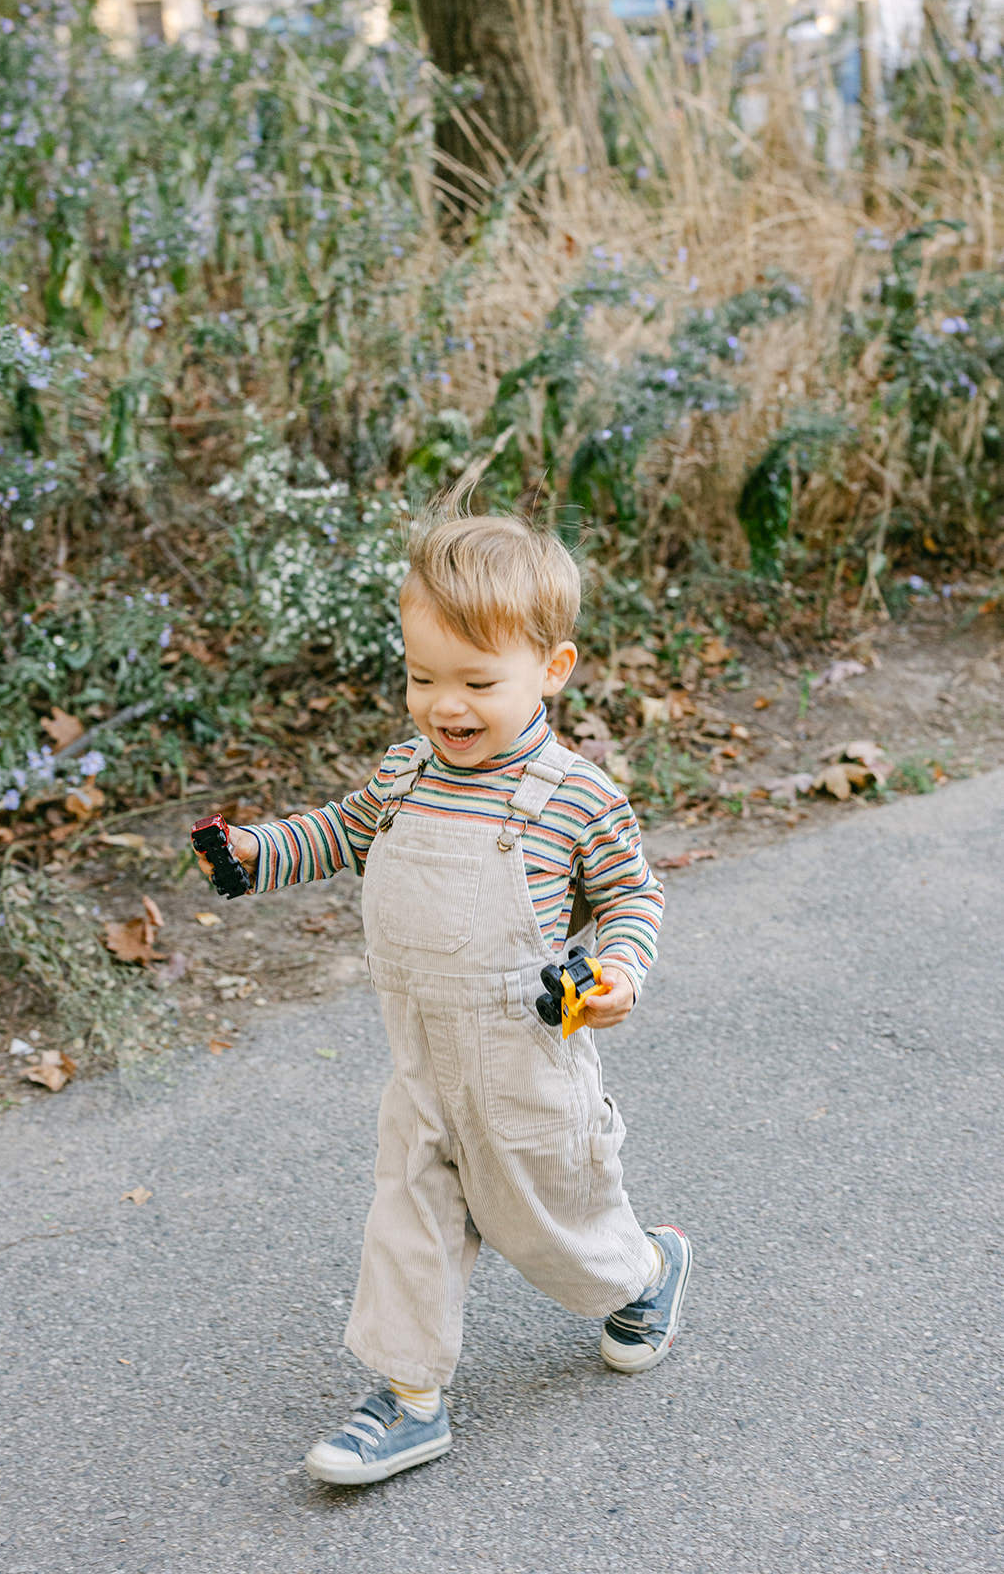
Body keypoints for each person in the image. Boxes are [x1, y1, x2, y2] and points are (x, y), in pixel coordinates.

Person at [194, 512, 691, 1486]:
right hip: (421, 1056)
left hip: (524, 1068)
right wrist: (255, 854)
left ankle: (646, 1271)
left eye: (474, 682)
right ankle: (406, 1397)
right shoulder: (404, 771)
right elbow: (340, 832)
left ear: (551, 667)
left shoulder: (575, 797)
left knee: (558, 1235)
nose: (443, 706)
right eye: (422, 678)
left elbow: (632, 895)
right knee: (407, 1214)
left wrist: (619, 973)